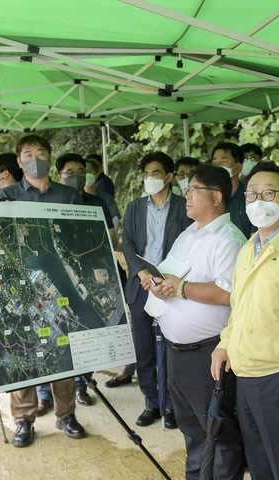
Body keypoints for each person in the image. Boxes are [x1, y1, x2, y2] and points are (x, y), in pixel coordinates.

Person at [149, 164, 246, 480]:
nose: (186, 196)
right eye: (186, 190)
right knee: (191, 431)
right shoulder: (187, 234)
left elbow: (227, 293)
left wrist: (179, 287)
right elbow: (171, 278)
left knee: (218, 434)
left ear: (216, 196)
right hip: (176, 352)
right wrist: (157, 284)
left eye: (193, 190)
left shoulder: (228, 239)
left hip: (207, 355)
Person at [212, 162, 279, 480]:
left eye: (269, 193)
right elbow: (238, 308)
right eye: (252, 194)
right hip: (244, 374)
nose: (258, 200)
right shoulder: (247, 249)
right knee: (259, 462)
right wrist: (224, 344)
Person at [0, 135, 85, 448]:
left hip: (60, 282)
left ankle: (66, 414)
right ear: (19, 162)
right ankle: (23, 420)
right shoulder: (4, 197)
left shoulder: (68, 196)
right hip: (23, 284)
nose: (36, 158)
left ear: (49, 156)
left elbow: (79, 239)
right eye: (29, 154)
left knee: (62, 345)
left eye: (42, 152)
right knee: (24, 350)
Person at [31, 153, 119, 410]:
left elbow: (107, 240)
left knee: (80, 333)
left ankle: (81, 387)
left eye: (81, 171)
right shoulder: (50, 199)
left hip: (83, 270)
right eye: (70, 172)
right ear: (59, 175)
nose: (77, 176)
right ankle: (43, 394)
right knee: (48, 335)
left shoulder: (97, 202)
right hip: (53, 267)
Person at [114, 151, 191, 429]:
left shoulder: (184, 207)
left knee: (172, 347)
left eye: (155, 173)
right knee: (144, 347)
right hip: (141, 285)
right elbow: (129, 244)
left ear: (169, 176)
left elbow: (189, 244)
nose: (149, 179)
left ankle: (171, 404)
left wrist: (165, 278)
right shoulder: (134, 207)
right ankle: (150, 401)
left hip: (171, 286)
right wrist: (143, 273)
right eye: (145, 174)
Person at [211, 142, 253, 238]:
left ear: (238, 167)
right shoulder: (207, 198)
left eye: (223, 162)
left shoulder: (249, 198)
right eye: (214, 163)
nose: (217, 167)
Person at [84, 158, 121, 237]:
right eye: (83, 172)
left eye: (89, 171)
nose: (86, 174)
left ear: (96, 174)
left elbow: (115, 219)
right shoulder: (75, 197)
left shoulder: (107, 199)